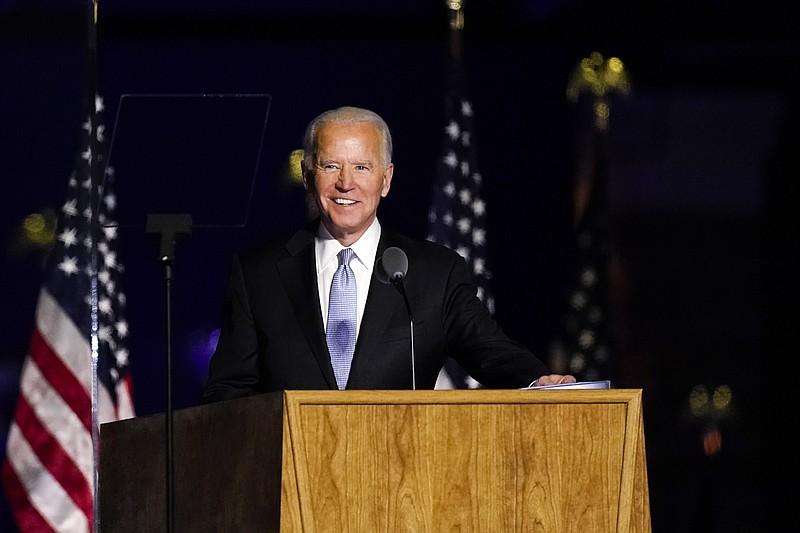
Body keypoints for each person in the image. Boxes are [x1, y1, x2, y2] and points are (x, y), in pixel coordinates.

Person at [201, 106, 574, 403]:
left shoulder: (434, 273)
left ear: (386, 179)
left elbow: (490, 351)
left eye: (362, 167)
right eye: (331, 166)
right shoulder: (259, 273)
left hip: (399, 478)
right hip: (290, 479)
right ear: (307, 174)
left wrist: (538, 379)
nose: (345, 183)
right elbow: (226, 391)